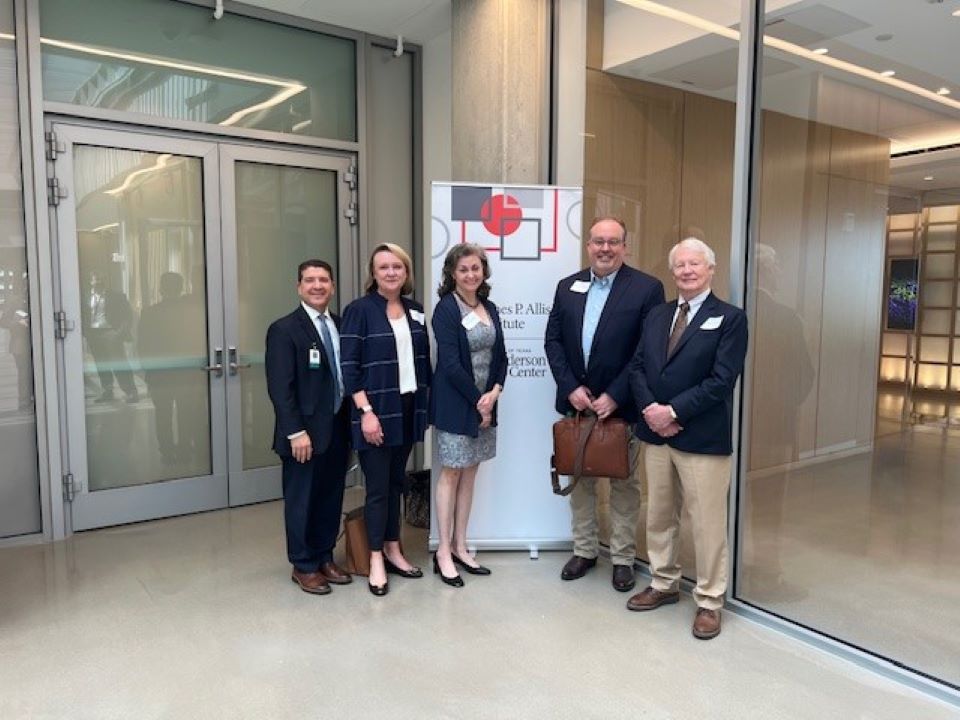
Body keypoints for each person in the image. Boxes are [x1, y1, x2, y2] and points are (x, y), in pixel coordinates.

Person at [626, 237, 748, 640]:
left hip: (702, 437)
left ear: (711, 269)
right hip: (656, 435)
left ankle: (710, 601)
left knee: (708, 523)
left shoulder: (730, 318)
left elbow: (721, 381)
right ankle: (663, 583)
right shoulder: (658, 315)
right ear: (673, 271)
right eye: (680, 265)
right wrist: (651, 412)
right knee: (659, 514)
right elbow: (639, 367)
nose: (687, 271)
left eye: (696, 264)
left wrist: (673, 412)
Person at [544, 216, 665, 592]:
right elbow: (553, 342)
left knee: (624, 484)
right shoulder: (568, 287)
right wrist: (570, 388)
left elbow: (646, 349)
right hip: (577, 405)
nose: (605, 249)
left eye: (613, 242)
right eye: (599, 241)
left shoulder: (647, 289)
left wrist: (615, 394)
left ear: (625, 247)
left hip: (621, 406)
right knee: (579, 479)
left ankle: (624, 558)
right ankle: (584, 550)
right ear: (589, 245)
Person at [340, 243, 431, 597]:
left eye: (397, 266)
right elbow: (349, 367)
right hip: (374, 413)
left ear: (406, 272)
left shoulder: (415, 310)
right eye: (383, 267)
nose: (391, 272)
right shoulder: (359, 311)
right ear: (373, 273)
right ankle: (376, 556)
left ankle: (394, 548)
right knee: (378, 489)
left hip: (407, 409)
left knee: (397, 484)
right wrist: (365, 413)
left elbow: (422, 360)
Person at [265, 259, 352, 595]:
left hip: (338, 429)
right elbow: (279, 388)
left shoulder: (341, 324)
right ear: (299, 287)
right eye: (310, 280)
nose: (318, 286)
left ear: (332, 286)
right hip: (303, 434)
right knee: (302, 499)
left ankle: (324, 556)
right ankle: (302, 564)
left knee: (330, 497)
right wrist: (295, 431)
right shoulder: (284, 329)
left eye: (324, 280)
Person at [430, 243, 507, 587]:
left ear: (483, 271)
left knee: (470, 473)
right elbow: (449, 364)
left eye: (476, 268)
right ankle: (443, 551)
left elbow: (501, 356)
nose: (470, 274)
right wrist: (479, 400)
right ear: (451, 273)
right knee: (451, 473)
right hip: (456, 404)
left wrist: (495, 393)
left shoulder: (490, 307)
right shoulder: (446, 309)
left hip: (485, 404)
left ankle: (461, 546)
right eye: (463, 270)